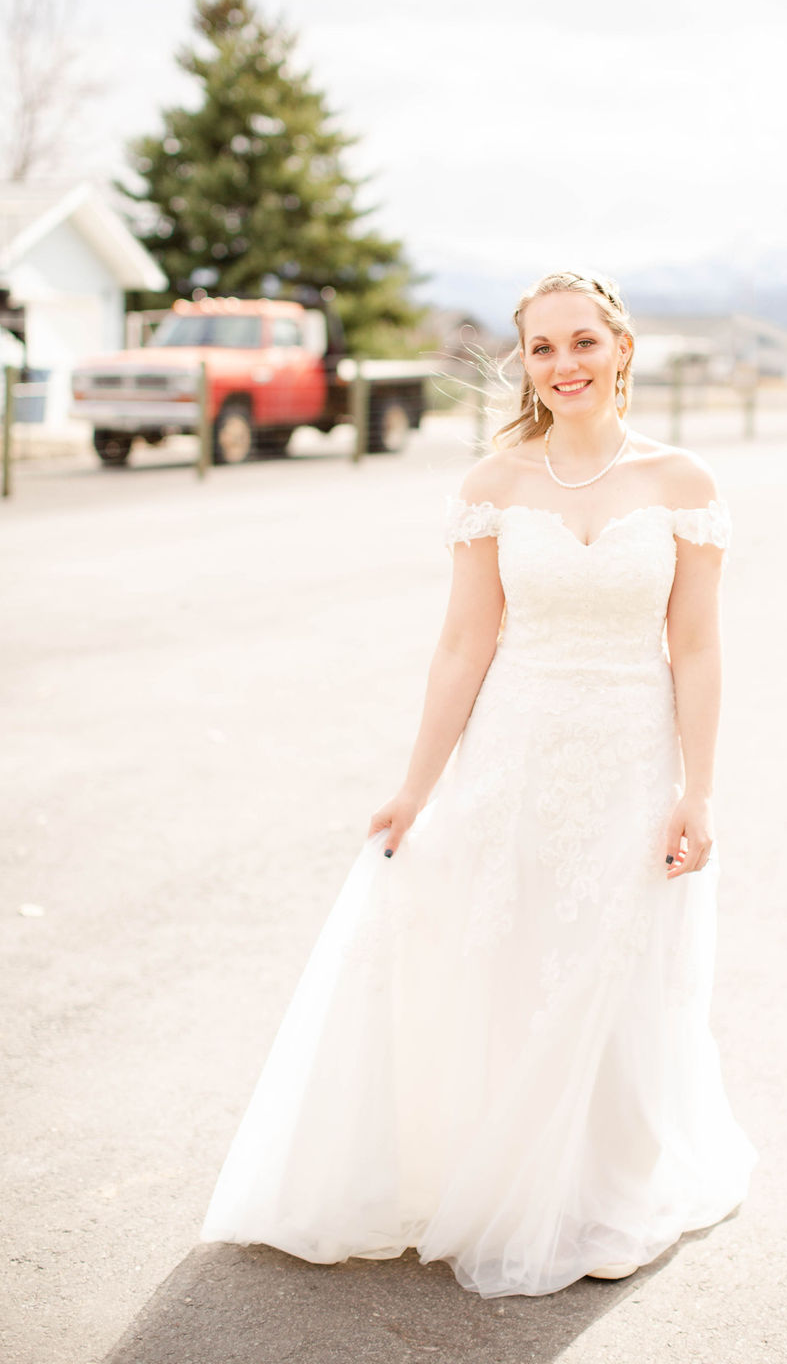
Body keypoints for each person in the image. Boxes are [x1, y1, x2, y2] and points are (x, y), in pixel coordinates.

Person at [199, 268, 757, 1297]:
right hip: (514, 748)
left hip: (632, 757)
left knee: (615, 966)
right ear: (523, 362)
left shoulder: (682, 482)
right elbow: (463, 645)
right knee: (512, 956)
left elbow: (697, 646)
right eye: (542, 347)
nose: (564, 364)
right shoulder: (494, 485)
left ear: (621, 349)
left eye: (582, 342)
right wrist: (415, 788)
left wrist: (701, 788)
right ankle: (499, 1176)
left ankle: (598, 1188)